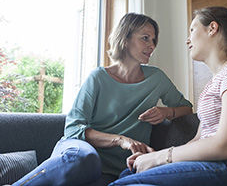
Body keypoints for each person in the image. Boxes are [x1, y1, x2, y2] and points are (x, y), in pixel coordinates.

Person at [12, 13, 192, 186]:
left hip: (114, 170)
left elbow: (186, 108)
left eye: (154, 40)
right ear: (125, 38)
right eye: (145, 38)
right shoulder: (98, 77)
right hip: (80, 152)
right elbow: (73, 128)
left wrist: (168, 112)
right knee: (86, 160)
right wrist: (121, 140)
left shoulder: (157, 79)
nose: (152, 45)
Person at [109, 6, 227, 186]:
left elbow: (226, 146)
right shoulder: (212, 84)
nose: (187, 40)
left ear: (212, 29)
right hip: (222, 163)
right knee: (128, 175)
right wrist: (152, 157)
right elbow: (199, 139)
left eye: (192, 30)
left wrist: (161, 157)